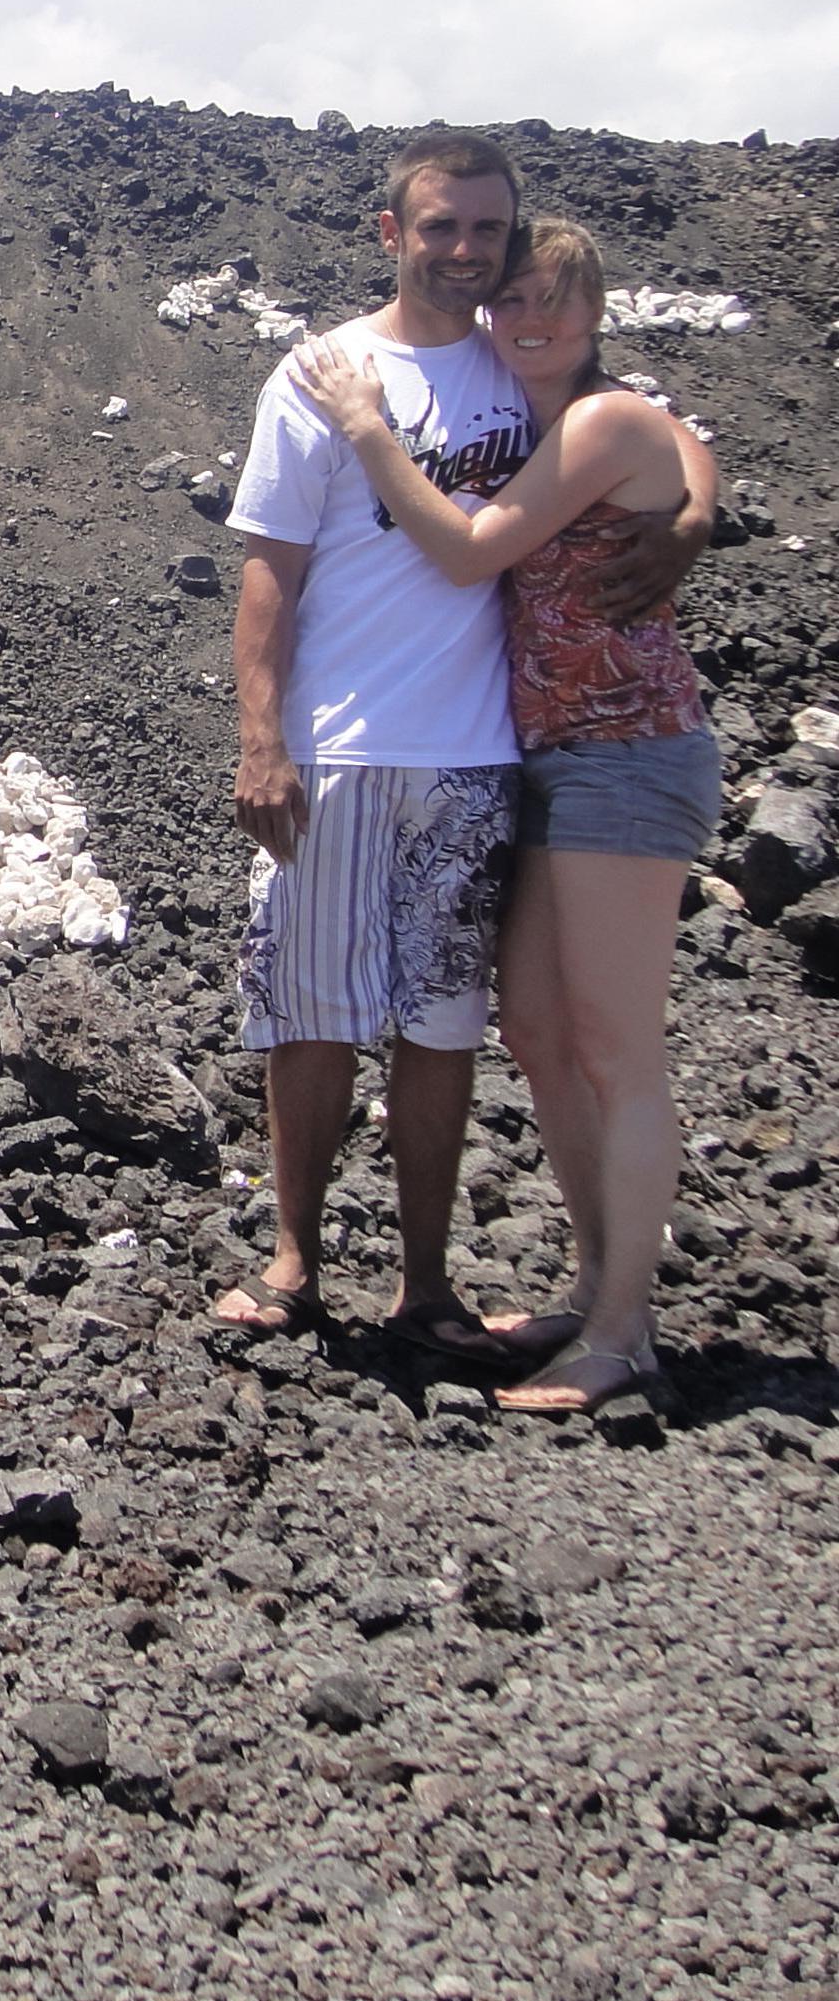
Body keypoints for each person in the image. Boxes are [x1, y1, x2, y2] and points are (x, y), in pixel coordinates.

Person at [215, 131, 715, 1359]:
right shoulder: (326, 374)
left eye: (486, 230)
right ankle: (295, 1258)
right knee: (311, 1009)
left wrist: (696, 510)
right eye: (440, 226)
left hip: (481, 754)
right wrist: (260, 735)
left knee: (442, 1019)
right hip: (339, 746)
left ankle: (428, 1281)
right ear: (394, 232)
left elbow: (645, 425)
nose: (463, 249)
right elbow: (271, 563)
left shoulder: (515, 362)